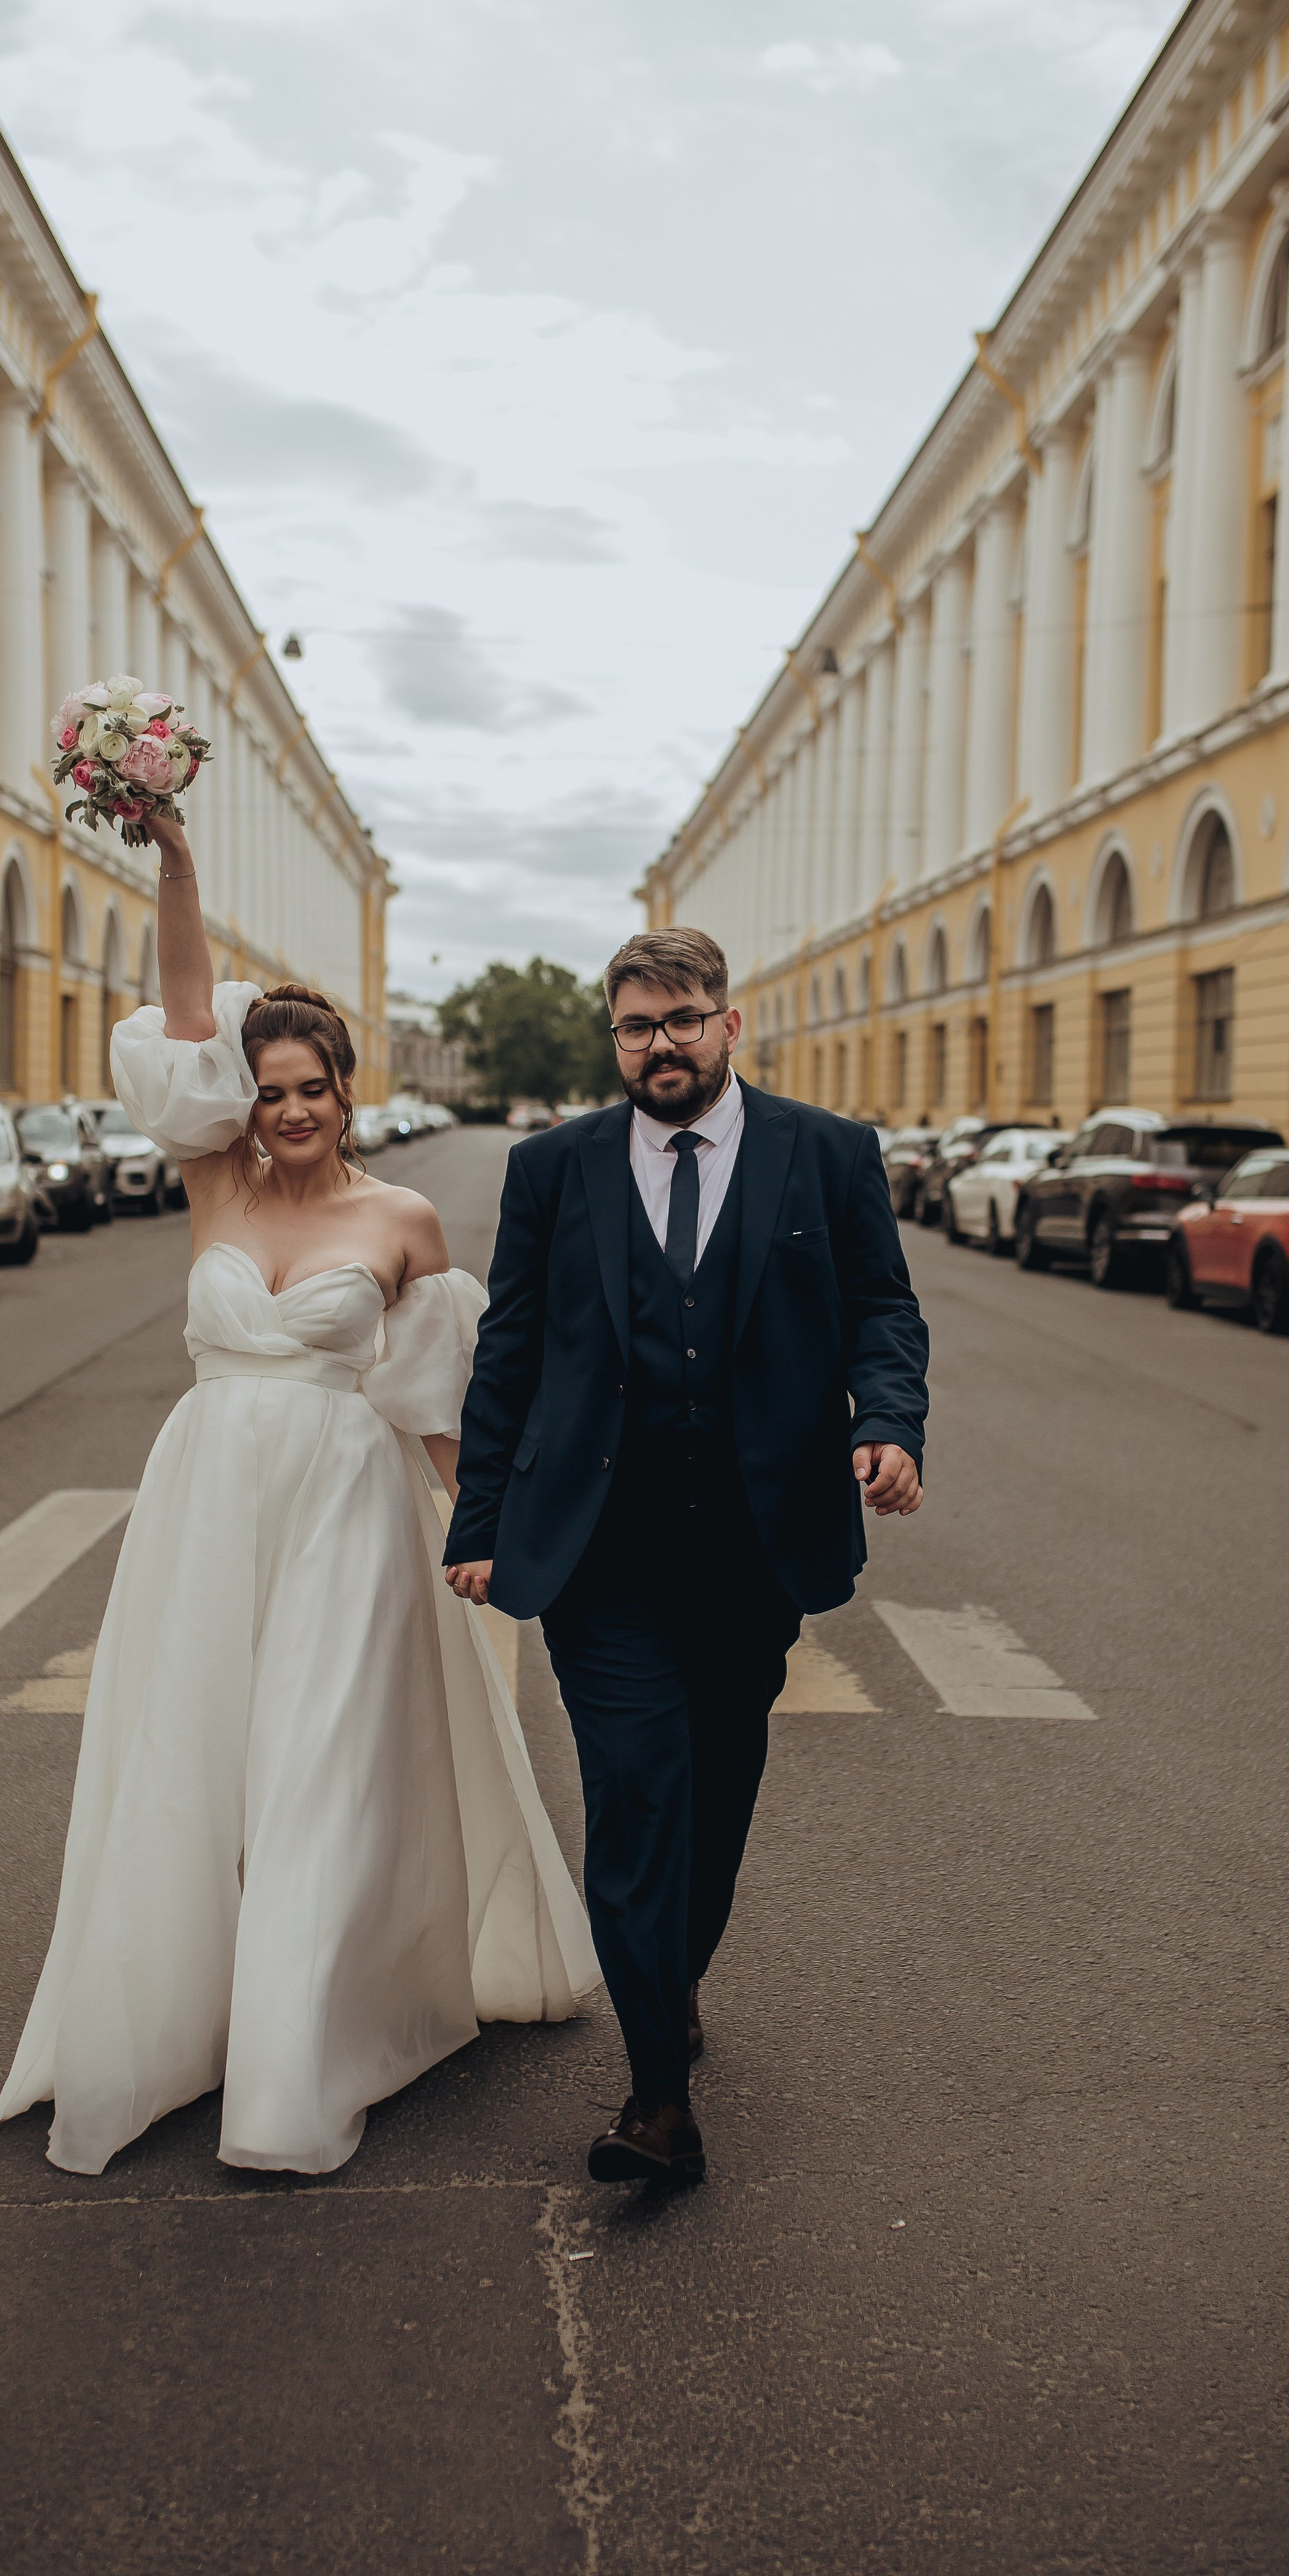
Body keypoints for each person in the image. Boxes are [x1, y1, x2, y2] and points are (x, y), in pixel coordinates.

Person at [0, 809, 596, 2177]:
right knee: (190, 1764)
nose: (292, 1108)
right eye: (270, 1090)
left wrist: (484, 1535)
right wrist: (176, 864)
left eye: (313, 1086)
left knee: (316, 1775)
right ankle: (164, 2033)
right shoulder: (214, 1183)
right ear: (244, 1102)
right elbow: (190, 1011)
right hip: (205, 1505)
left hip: (343, 1515)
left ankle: (297, 2059)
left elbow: (441, 1403)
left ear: (348, 1092)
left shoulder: (403, 1226)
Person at [443, 927, 928, 2187]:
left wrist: (885, 1424)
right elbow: (511, 1347)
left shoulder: (827, 1155)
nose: (660, 1044)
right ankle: (657, 2096)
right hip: (600, 1554)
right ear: (614, 1038)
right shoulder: (553, 1168)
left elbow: (883, 1307)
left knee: (714, 1797)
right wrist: (480, 1521)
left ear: (728, 1022)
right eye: (636, 1026)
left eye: (683, 1018)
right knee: (637, 1797)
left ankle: (677, 1968)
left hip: (756, 1548)